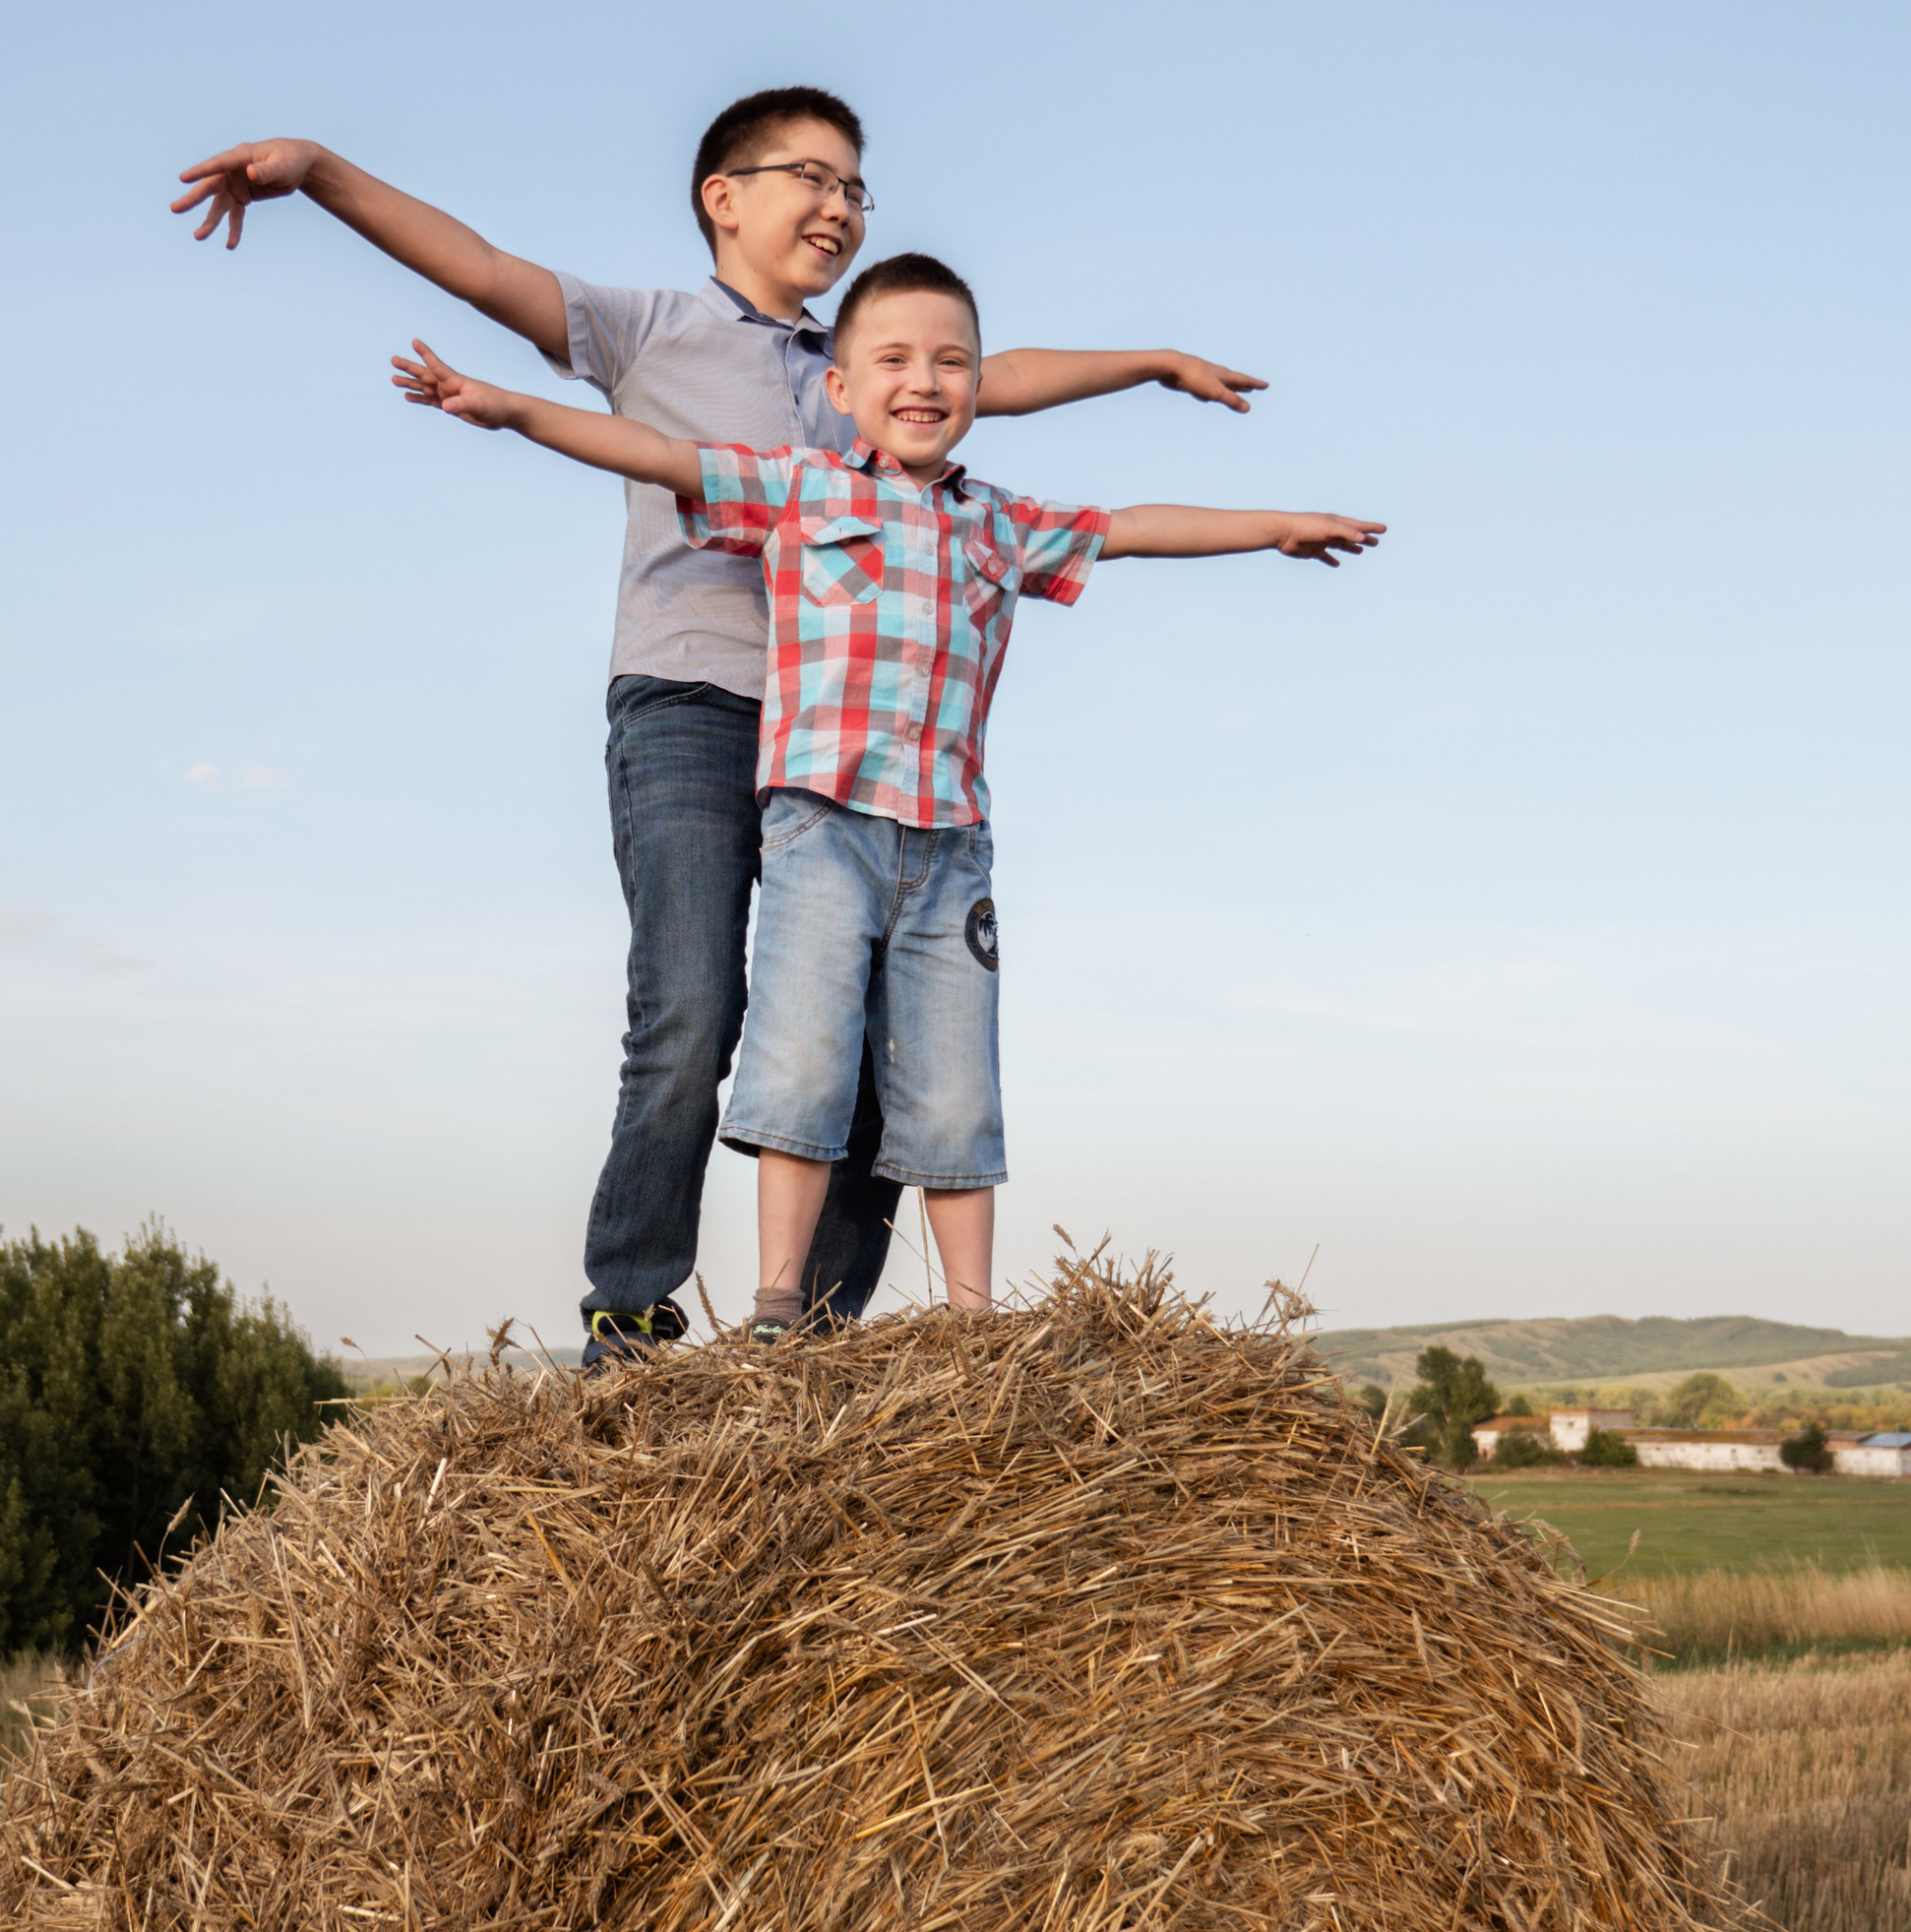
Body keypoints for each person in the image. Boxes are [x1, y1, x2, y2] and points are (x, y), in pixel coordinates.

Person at [173, 92, 1271, 1367]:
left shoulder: (863, 365)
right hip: (692, 706)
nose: (842, 205)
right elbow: (476, 269)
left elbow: (1009, 377)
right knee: (694, 1002)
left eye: (859, 188)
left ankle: (800, 1345)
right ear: (724, 195)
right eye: (814, 176)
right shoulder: (651, 330)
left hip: (846, 756)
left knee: (870, 1055)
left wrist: (1152, 364)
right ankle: (631, 1318)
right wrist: (317, 172)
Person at [392, 249, 1383, 1336]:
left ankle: (972, 1329)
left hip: (951, 847)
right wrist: (512, 409)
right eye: (895, 359)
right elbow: (653, 448)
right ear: (841, 388)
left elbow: (1135, 527)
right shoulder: (801, 488)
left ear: (976, 388)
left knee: (951, 1089)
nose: (925, 380)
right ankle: (778, 1307)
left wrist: (1274, 523)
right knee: (803, 1061)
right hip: (821, 827)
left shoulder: (999, 521)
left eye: (952, 362)